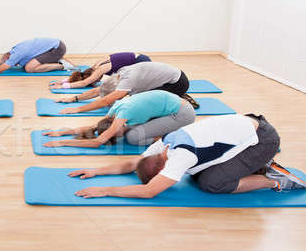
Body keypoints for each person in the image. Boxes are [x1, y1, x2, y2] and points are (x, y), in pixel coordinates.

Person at [69, 114, 306, 199]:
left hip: (263, 140)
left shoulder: (180, 155)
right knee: (196, 176)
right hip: (248, 127)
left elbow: (150, 191)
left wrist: (105, 190)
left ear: (163, 169)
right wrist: (96, 171)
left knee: (211, 183)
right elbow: (134, 163)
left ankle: (274, 179)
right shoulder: (163, 145)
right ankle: (258, 167)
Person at [42, 90, 195, 147]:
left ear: (114, 128)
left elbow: (97, 142)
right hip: (168, 107)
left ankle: (174, 136)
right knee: (132, 132)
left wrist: (61, 142)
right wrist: (62, 132)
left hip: (182, 113)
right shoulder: (114, 113)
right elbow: (95, 126)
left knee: (134, 137)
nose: (118, 136)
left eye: (115, 134)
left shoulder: (122, 115)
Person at [56, 61, 197, 114]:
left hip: (177, 83)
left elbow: (105, 101)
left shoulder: (126, 81)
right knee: (136, 98)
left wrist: (78, 109)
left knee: (144, 105)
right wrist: (74, 98)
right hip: (165, 77)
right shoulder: (118, 76)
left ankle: (181, 97)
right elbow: (99, 91)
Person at [0, 37, 74, 74]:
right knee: (28, 65)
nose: (9, 63)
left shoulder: (17, 54)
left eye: (8, 61)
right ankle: (55, 59)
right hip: (52, 47)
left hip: (57, 48)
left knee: (29, 68)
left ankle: (62, 65)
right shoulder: (12, 52)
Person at [50, 52, 151, 89]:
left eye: (95, 80)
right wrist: (63, 80)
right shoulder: (96, 65)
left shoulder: (99, 69)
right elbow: (80, 76)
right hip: (139, 58)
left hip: (142, 62)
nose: (98, 81)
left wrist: (63, 86)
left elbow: (84, 82)